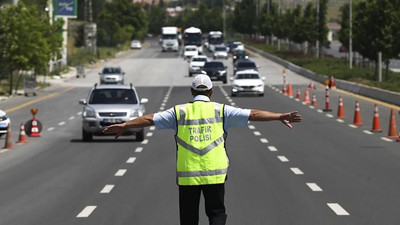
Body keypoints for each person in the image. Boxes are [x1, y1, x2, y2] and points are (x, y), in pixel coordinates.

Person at [103, 74, 302, 225]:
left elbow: (149, 119)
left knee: (189, 219)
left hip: (188, 175)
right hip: (215, 174)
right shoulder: (222, 110)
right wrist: (278, 116)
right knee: (216, 215)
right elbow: (253, 114)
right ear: (211, 91)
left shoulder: (178, 112)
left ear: (191, 92)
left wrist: (125, 125)